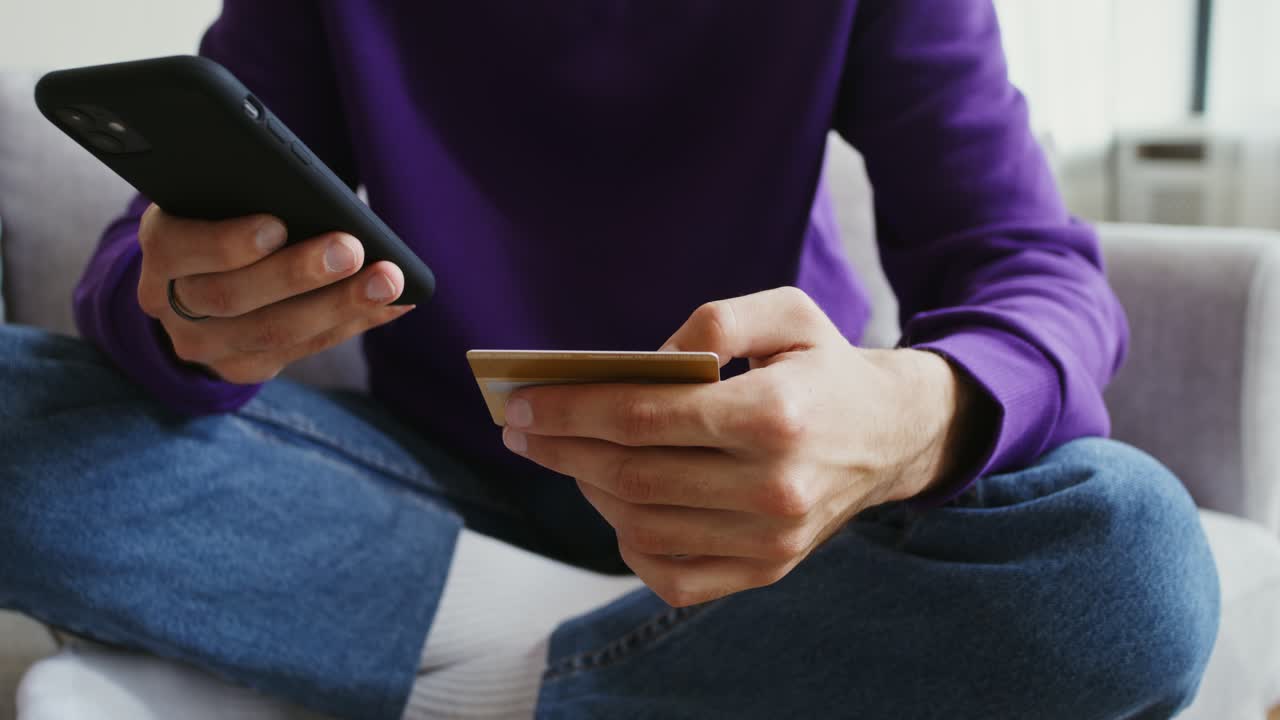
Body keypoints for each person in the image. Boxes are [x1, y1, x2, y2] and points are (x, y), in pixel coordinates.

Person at [1, 1, 1219, 718]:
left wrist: (911, 411)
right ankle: (632, 670)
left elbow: (1033, 268)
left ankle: (484, 673)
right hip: (439, 490)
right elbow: (140, 275)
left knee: (1124, 561)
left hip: (773, 521)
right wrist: (185, 309)